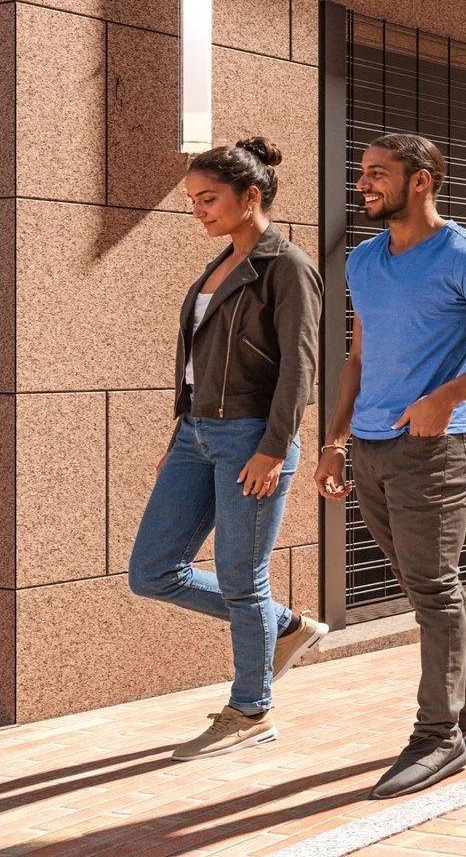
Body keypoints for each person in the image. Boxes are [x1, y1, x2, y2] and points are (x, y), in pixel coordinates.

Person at [316, 133, 466, 800]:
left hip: (437, 450)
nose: (363, 184)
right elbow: (358, 356)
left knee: (433, 589)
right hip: (371, 443)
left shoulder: (463, 255)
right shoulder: (363, 259)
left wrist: (446, 398)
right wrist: (335, 440)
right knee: (425, 585)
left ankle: (438, 735)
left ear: (420, 181)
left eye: (377, 175)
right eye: (361, 174)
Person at [130, 136, 329, 761]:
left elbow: (300, 367)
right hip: (196, 436)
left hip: (251, 435)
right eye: (193, 201)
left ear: (251, 195)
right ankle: (286, 626)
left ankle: (251, 709)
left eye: (209, 199)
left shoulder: (287, 266)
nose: (199, 211)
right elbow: (193, 366)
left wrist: (275, 446)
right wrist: (177, 436)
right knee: (152, 571)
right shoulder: (213, 269)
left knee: (243, 579)